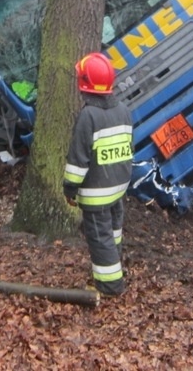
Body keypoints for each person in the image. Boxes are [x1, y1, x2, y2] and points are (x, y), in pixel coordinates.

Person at [63, 52, 133, 297]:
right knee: (113, 232)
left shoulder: (88, 116)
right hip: (118, 186)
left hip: (96, 193)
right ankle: (115, 266)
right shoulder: (123, 110)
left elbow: (78, 161)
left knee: (100, 237)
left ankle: (110, 285)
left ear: (84, 83)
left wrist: (69, 189)